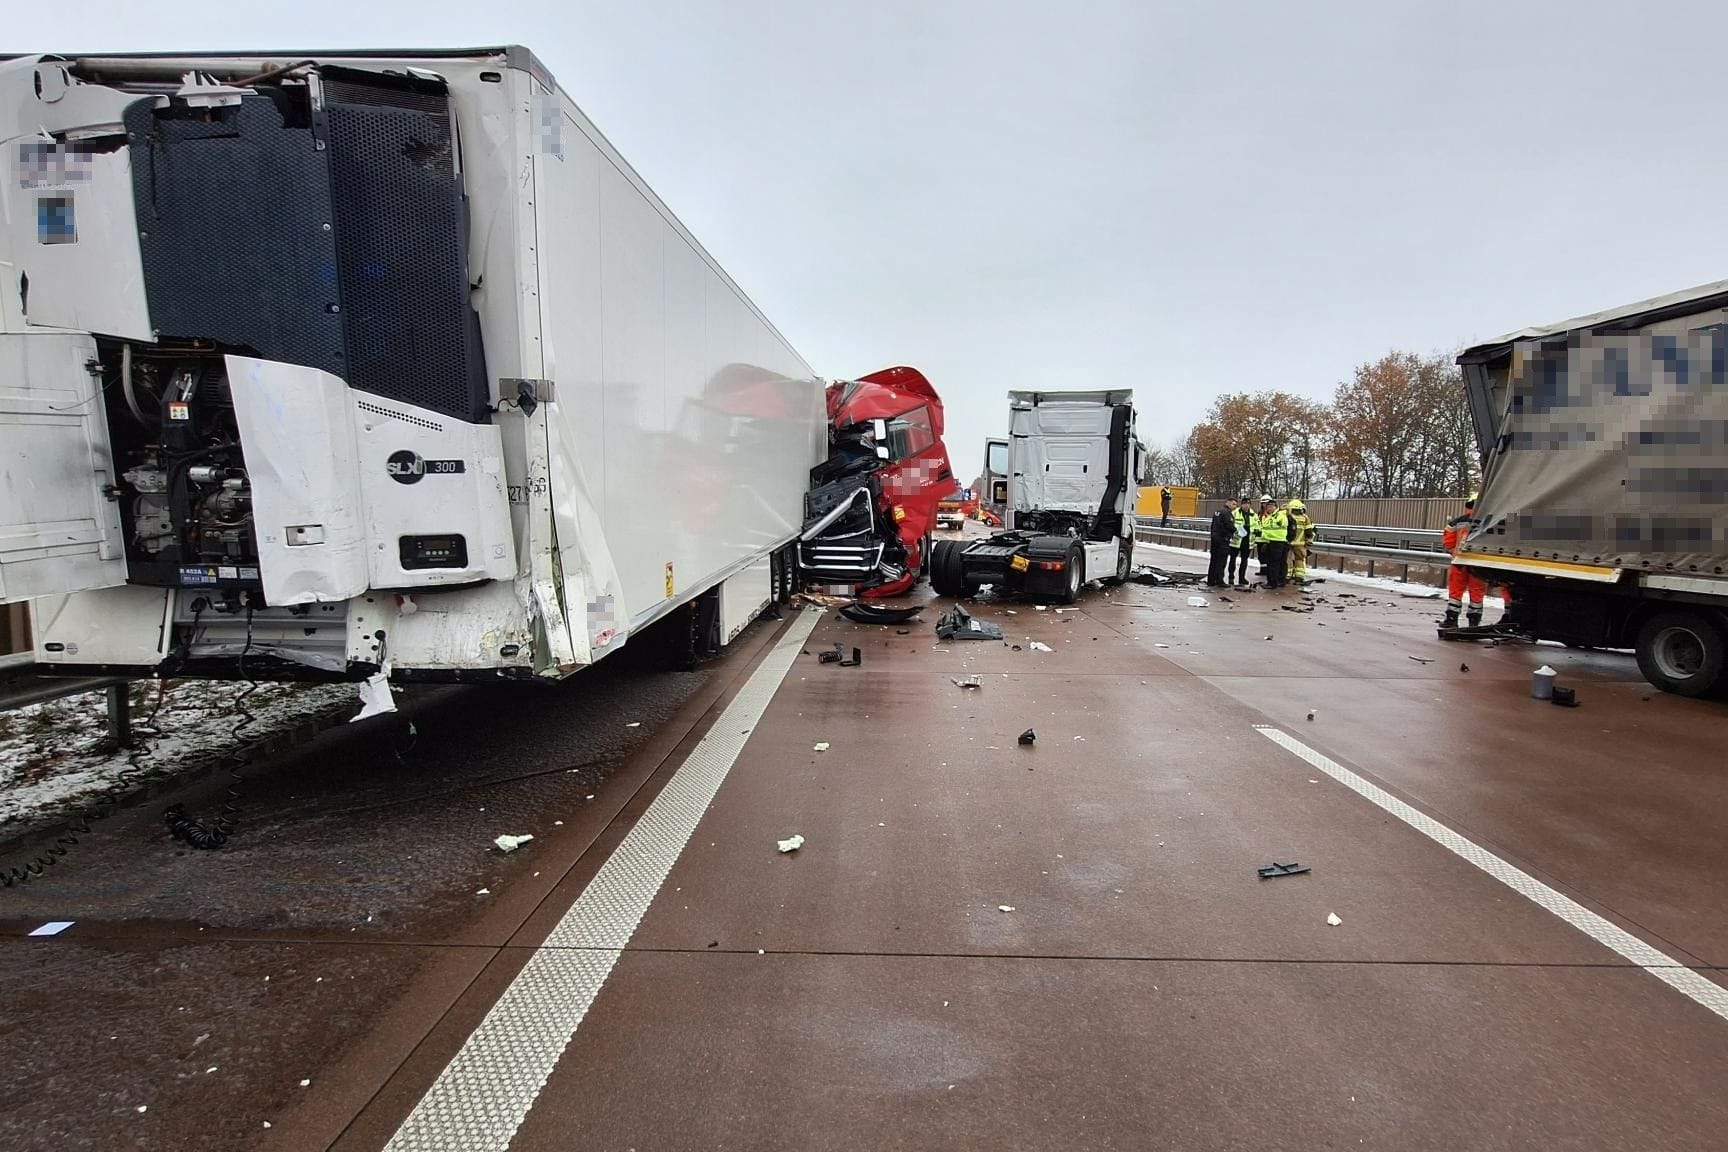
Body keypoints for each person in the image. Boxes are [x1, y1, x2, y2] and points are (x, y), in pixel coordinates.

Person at [1442, 494, 1488, 627]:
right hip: (1479, 563)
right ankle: (1474, 622)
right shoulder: (1489, 521)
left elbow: (1448, 541)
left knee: (1455, 592)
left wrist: (1454, 553)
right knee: (1477, 592)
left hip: (1460, 562)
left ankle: (1451, 620)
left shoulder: (1458, 521)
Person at [1258, 496, 1290, 588]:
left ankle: (1273, 583)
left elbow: (1282, 523)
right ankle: (1272, 581)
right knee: (1272, 563)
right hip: (1269, 542)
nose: (1269, 508)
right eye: (1268, 507)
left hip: (1278, 542)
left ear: (1276, 507)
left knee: (1274, 563)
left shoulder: (1280, 515)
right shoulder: (1268, 517)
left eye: (1271, 506)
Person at [1207, 498, 1238, 587]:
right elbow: (1229, 526)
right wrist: (1236, 531)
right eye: (1233, 504)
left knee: (1213, 561)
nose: (1235, 507)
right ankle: (1219, 580)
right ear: (1227, 503)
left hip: (1215, 539)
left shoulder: (1218, 512)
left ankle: (1211, 580)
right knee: (1221, 561)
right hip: (1223, 540)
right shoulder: (1227, 513)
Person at [1228, 495, 1255, 588]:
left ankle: (1242, 577)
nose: (1246, 506)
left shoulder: (1253, 514)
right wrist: (1237, 530)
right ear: (1241, 505)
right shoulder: (1235, 513)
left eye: (1248, 504)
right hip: (1236, 540)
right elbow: (1231, 524)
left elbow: (1257, 525)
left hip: (1247, 541)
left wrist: (1256, 530)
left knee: (1244, 560)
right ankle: (1231, 576)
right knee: (1233, 559)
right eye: (1244, 504)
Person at [1286, 499, 1315, 584]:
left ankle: (1287, 575)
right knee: (1300, 559)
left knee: (1288, 559)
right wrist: (1309, 541)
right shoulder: (1305, 518)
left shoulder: (1288, 516)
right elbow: (1309, 531)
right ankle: (1299, 576)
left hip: (1289, 542)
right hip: (1300, 544)